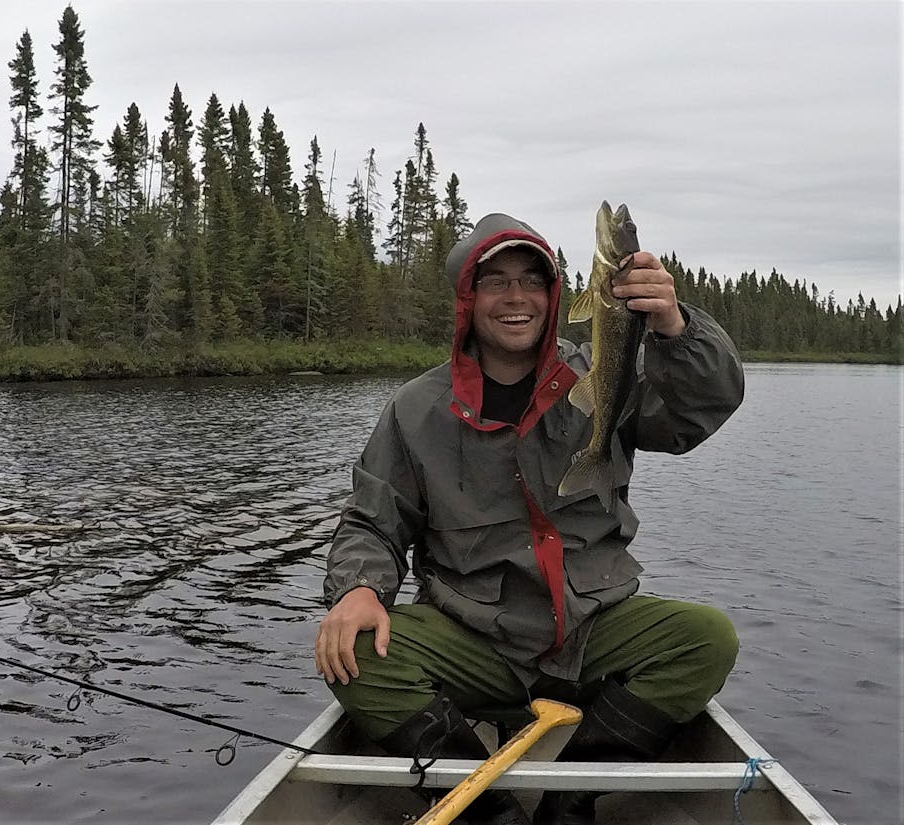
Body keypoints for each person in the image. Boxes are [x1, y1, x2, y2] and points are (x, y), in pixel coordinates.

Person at [314, 212, 745, 825]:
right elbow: (372, 519)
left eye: (532, 281)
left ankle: (577, 793)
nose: (516, 298)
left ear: (556, 295)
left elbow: (696, 413)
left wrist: (676, 329)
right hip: (473, 636)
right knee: (353, 647)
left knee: (706, 639)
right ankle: (484, 808)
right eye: (496, 282)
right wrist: (359, 587)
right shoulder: (417, 409)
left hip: (591, 626)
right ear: (469, 299)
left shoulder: (600, 375)